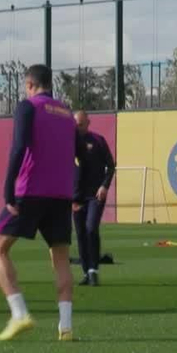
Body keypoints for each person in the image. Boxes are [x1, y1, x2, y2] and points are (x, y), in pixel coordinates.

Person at [0, 65, 77, 342]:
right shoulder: (66, 113)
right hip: (61, 194)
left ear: (29, 84)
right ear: (51, 84)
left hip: (30, 191)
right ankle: (66, 328)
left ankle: (19, 313)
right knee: (60, 258)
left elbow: (18, 147)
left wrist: (7, 188)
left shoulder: (27, 107)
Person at [72, 110, 115, 286]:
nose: (77, 127)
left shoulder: (97, 141)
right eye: (75, 124)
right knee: (81, 233)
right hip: (76, 197)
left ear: (88, 123)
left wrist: (104, 185)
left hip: (95, 195)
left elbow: (111, 166)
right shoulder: (67, 143)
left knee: (91, 228)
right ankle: (86, 271)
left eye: (81, 123)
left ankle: (93, 270)